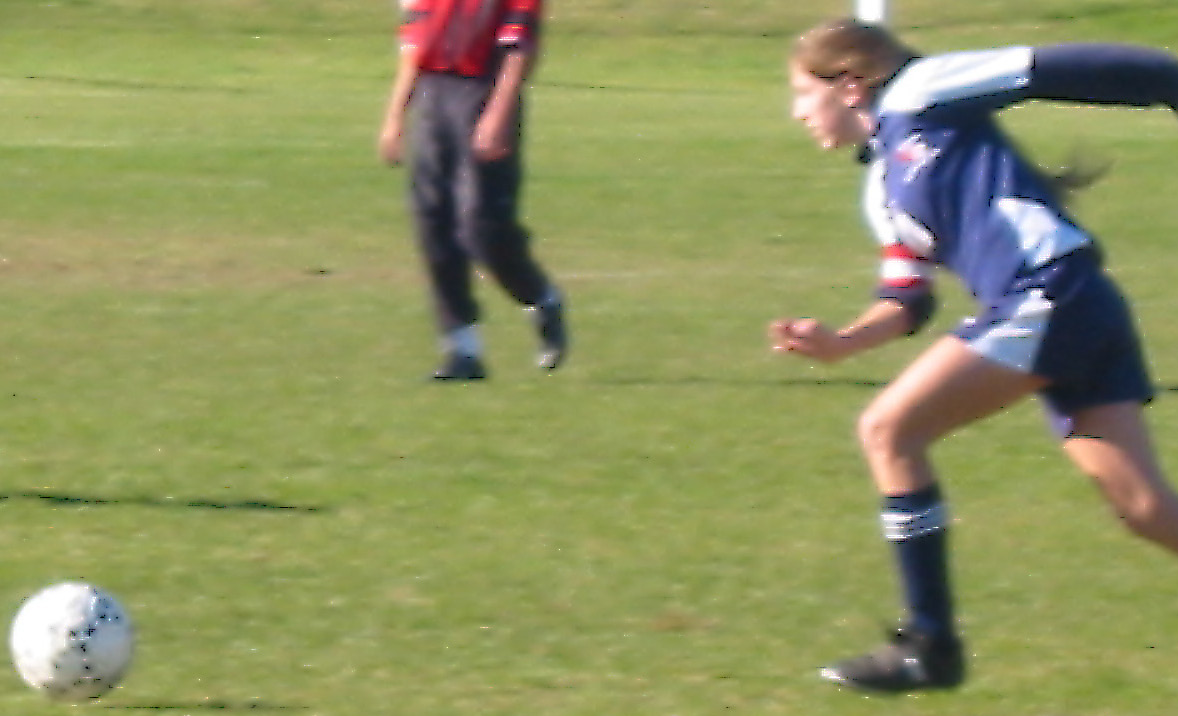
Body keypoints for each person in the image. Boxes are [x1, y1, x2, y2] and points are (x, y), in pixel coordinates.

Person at [775, 17, 1178, 692]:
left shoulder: (922, 89)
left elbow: (1056, 68)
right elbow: (906, 298)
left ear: (848, 85)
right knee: (1145, 511)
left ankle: (929, 644)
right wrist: (841, 342)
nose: (796, 112)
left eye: (800, 93)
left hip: (1051, 294)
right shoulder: (882, 188)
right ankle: (928, 647)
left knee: (888, 430)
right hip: (1070, 307)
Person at [378, 0, 567, 381]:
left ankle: (540, 298)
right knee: (433, 221)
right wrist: (396, 115)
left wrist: (498, 112)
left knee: (481, 226)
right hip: (434, 94)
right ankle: (462, 349)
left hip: (482, 89)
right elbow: (414, 44)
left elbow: (520, 48)